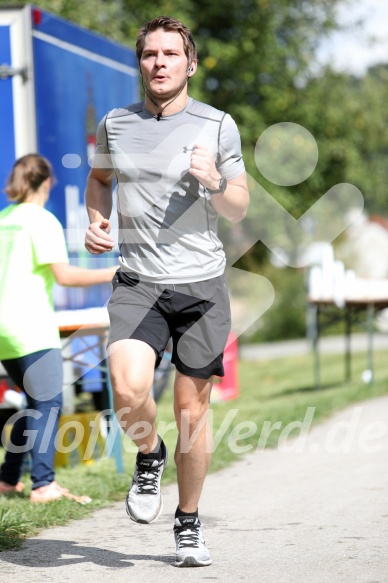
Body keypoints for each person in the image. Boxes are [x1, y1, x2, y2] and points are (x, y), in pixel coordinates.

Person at [84, 15, 249, 567]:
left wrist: (215, 182)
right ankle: (148, 457)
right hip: (138, 281)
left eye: (170, 54)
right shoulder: (116, 123)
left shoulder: (218, 125)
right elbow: (100, 180)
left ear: (190, 64)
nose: (159, 63)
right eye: (150, 54)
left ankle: (188, 521)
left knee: (189, 411)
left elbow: (239, 204)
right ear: (141, 64)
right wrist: (96, 221)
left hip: (201, 285)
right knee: (129, 390)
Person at [0, 154, 116, 503]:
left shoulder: (4, 219)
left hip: (4, 331)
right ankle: (43, 485)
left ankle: (7, 479)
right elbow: (64, 276)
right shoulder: (42, 220)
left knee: (33, 402)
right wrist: (114, 273)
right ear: (47, 182)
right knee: (48, 404)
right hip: (30, 326)